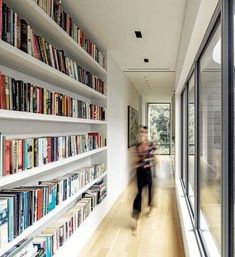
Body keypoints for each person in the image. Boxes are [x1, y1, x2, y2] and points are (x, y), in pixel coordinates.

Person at [132, 125, 156, 236]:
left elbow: (155, 158)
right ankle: (137, 222)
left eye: (145, 133)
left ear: (147, 134)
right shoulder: (137, 146)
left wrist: (155, 161)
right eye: (141, 133)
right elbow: (134, 160)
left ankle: (151, 207)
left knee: (150, 191)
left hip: (148, 172)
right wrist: (135, 163)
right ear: (139, 134)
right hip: (139, 172)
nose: (143, 135)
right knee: (139, 194)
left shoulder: (151, 145)